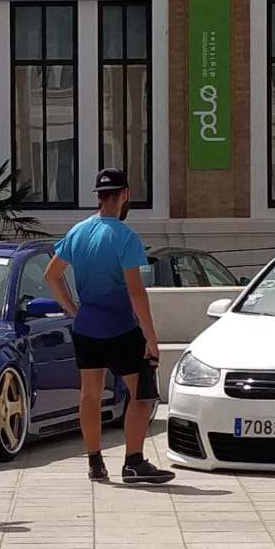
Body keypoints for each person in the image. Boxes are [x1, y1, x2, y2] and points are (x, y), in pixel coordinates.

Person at [44, 169, 174, 486]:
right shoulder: (125, 236)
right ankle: (133, 461)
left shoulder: (78, 232)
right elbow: (135, 290)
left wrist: (73, 309)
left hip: (86, 326)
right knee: (142, 395)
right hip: (119, 327)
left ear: (98, 196)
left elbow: (52, 274)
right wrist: (151, 338)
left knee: (90, 395)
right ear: (125, 194)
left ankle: (95, 462)